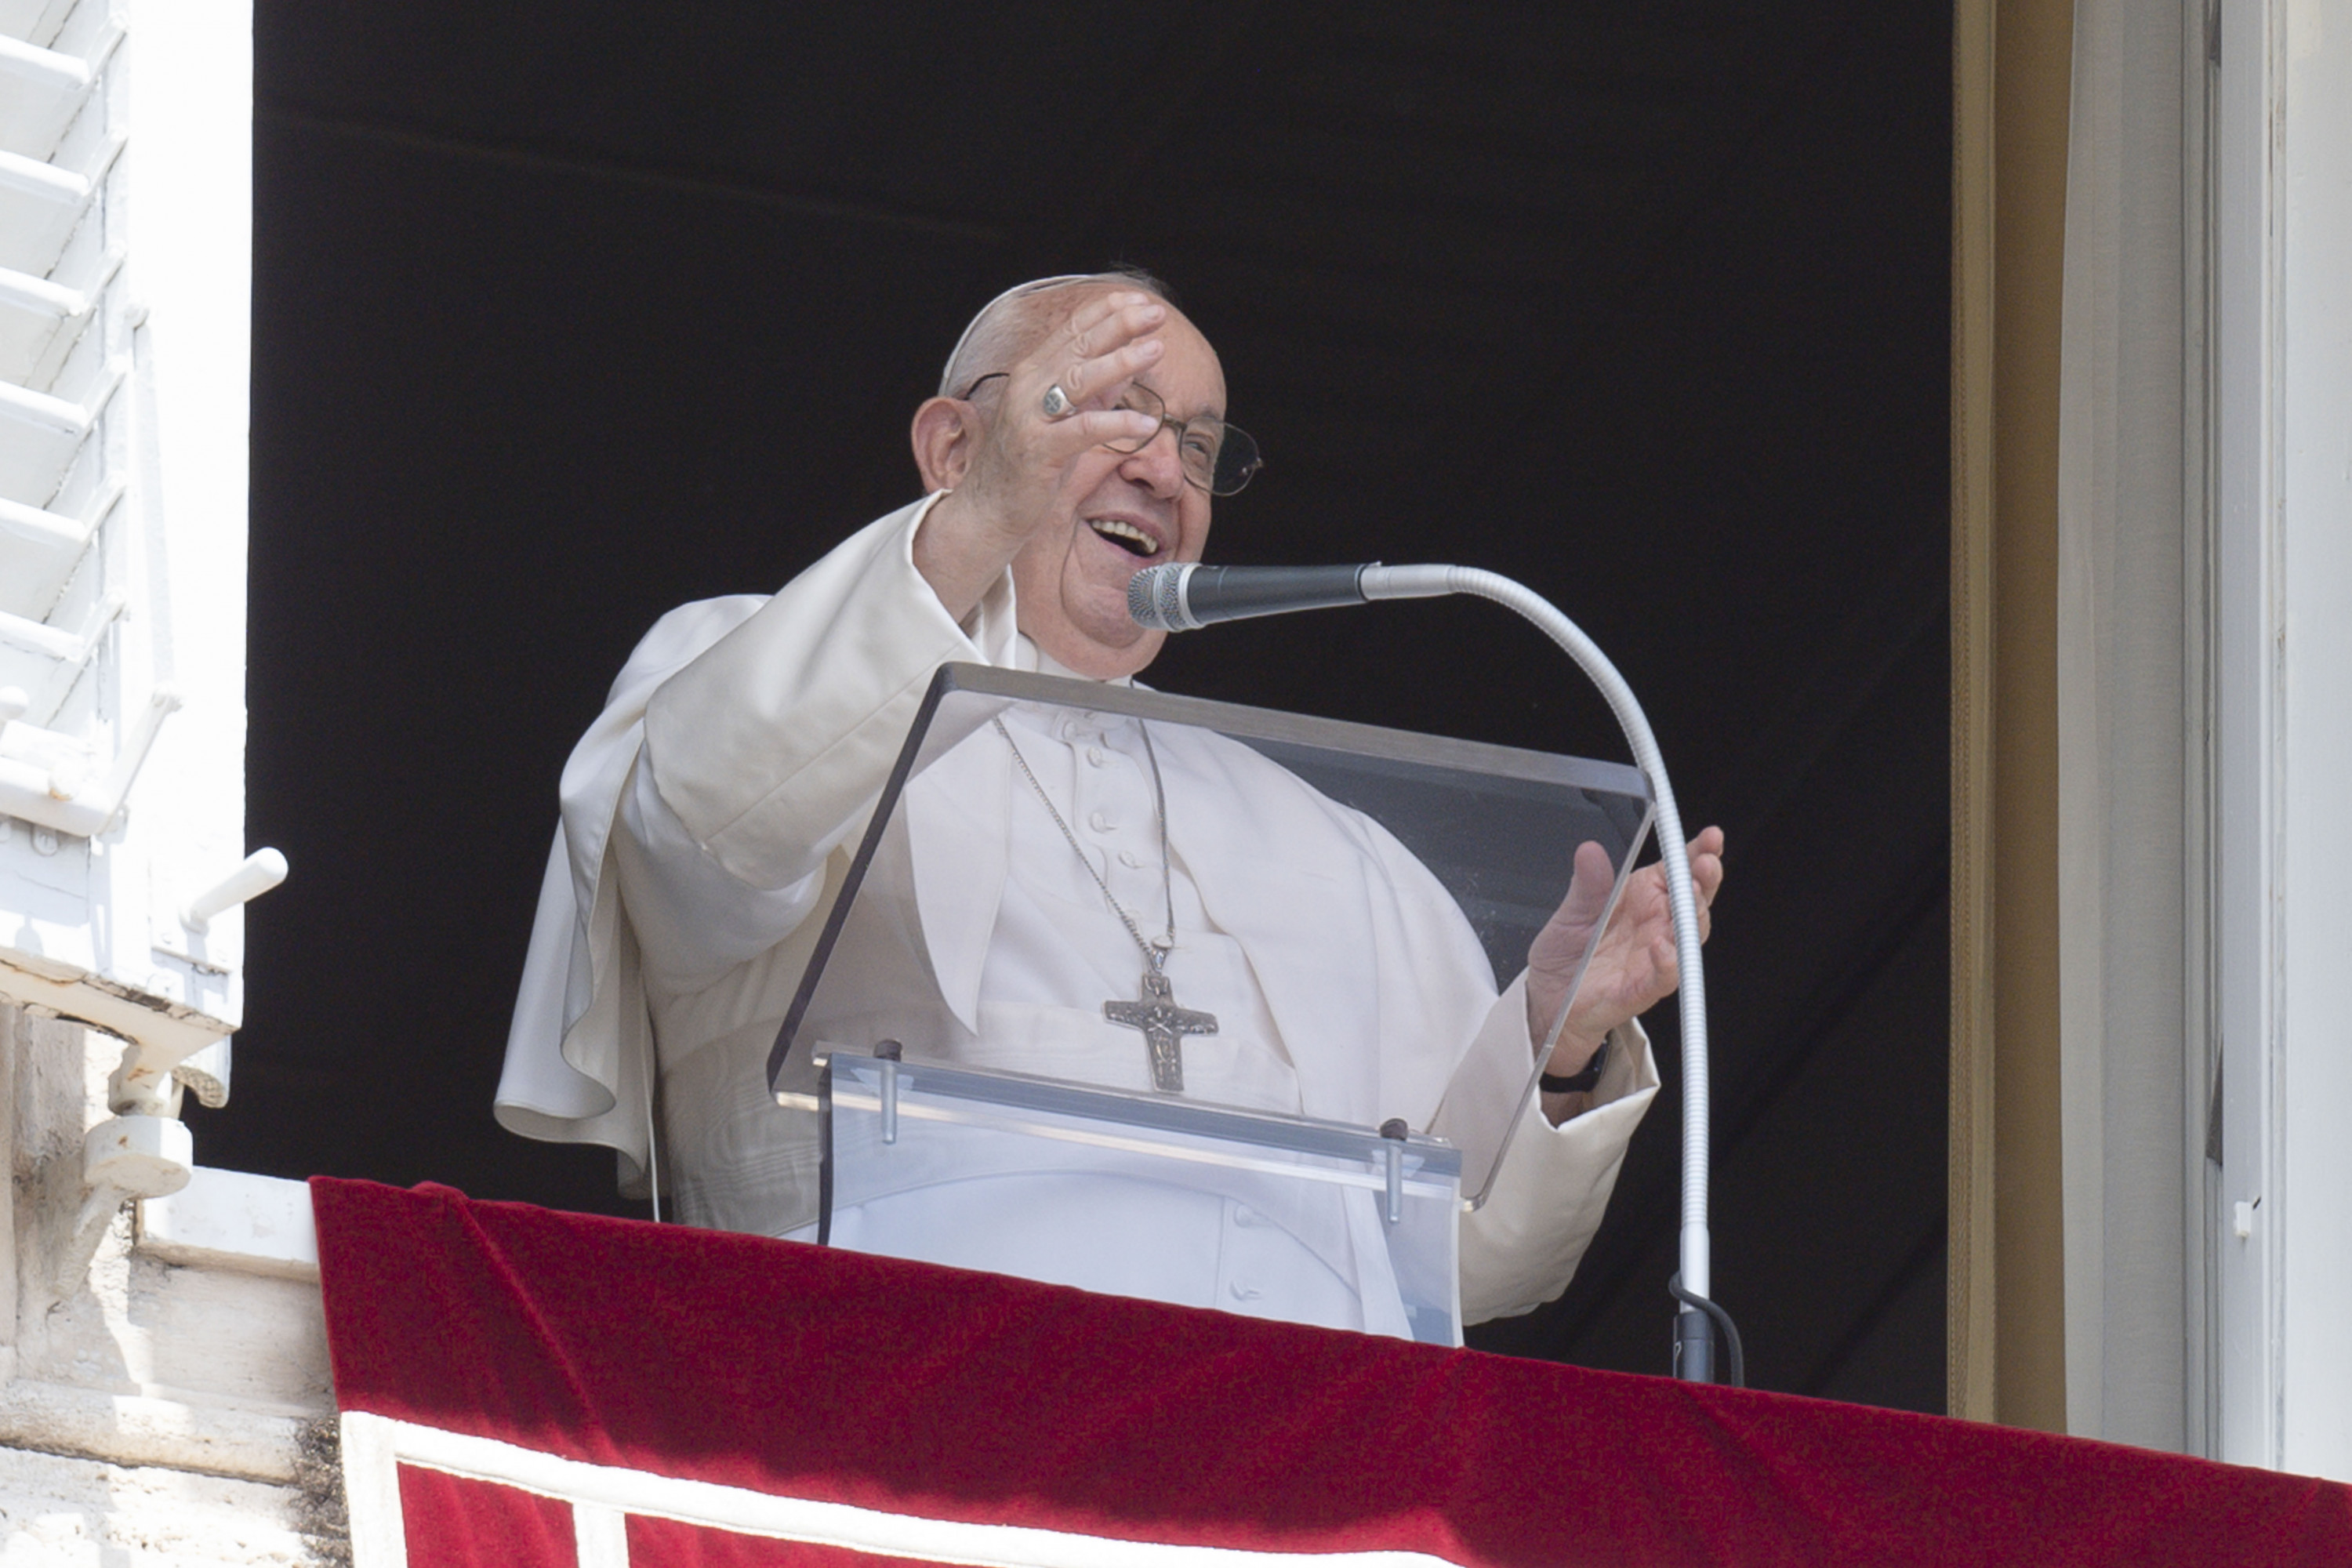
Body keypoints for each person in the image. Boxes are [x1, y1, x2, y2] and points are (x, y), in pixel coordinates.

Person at [496, 271, 1725, 1333]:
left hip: (1282, 1476)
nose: (1163, 467)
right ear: (954, 450)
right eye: (1109, 408)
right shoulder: (748, 666)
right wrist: (972, 531)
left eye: (1197, 445)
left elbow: (1466, 1263)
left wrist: (1555, 1048)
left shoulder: (1324, 837)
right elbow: (708, 834)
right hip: (882, 1425)